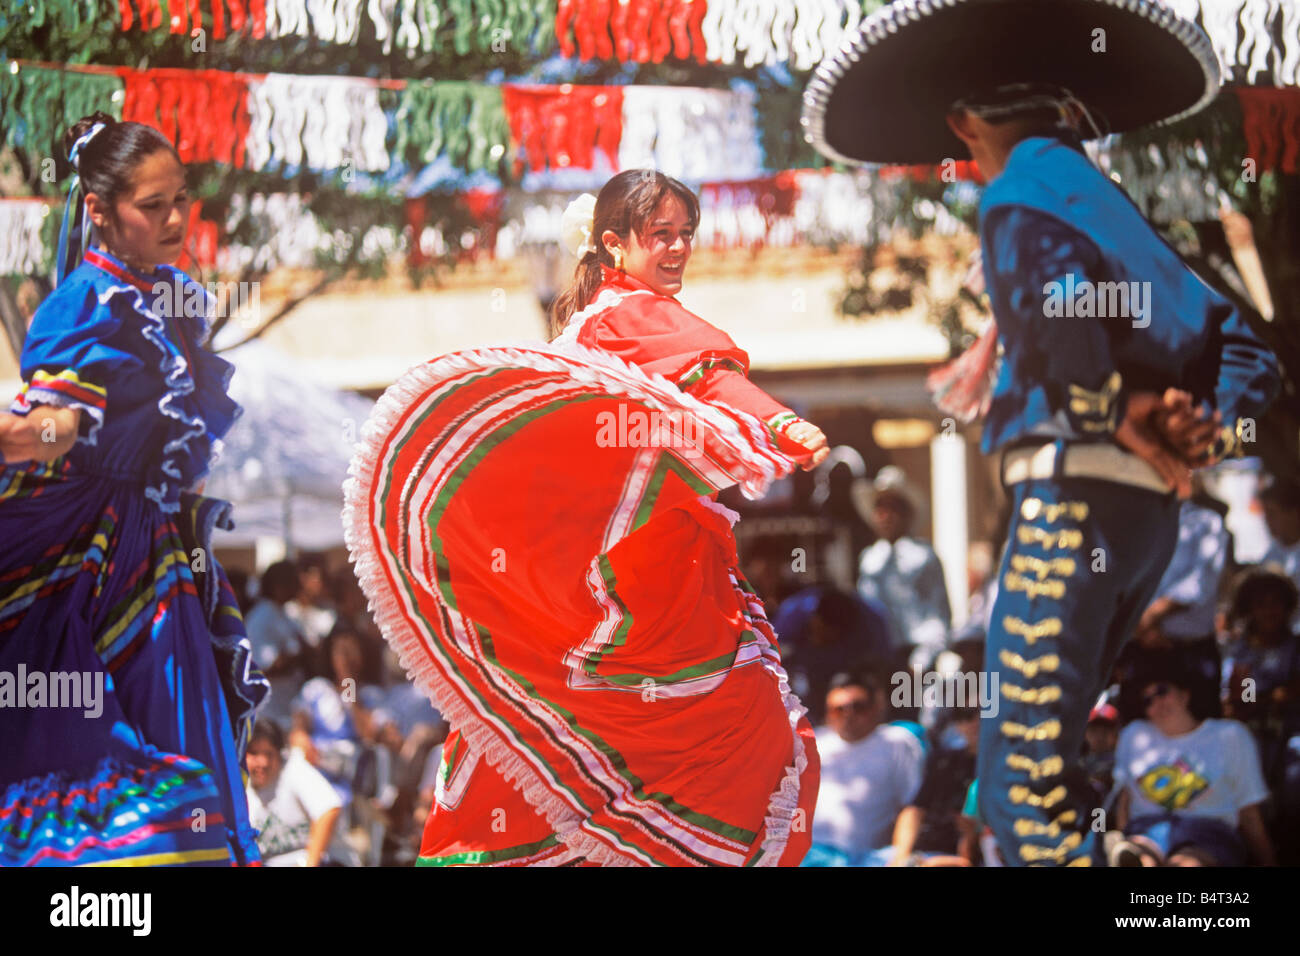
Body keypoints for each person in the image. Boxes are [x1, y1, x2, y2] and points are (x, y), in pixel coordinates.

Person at [802, 0, 1280, 865]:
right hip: (1143, 521)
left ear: (962, 124)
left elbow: (1064, 326)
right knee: (1028, 760)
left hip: (1074, 503)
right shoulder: (1116, 211)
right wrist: (1203, 429)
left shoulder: (1019, 197)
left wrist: (1115, 409)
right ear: (1070, 113)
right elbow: (1249, 353)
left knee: (1024, 790)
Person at [345, 169, 829, 866]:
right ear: (613, 244)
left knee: (549, 723)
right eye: (660, 235)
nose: (677, 249)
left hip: (602, 563)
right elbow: (711, 380)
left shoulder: (587, 324)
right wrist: (779, 424)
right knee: (740, 721)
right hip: (640, 567)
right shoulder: (629, 312)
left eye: (685, 235)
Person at [0, 113, 266, 866]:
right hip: (84, 556)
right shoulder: (82, 306)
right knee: (103, 764)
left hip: (156, 554)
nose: (176, 219)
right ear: (99, 210)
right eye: (154, 206)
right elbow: (58, 425)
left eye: (181, 199)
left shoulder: (170, 296)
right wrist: (28, 434)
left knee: (196, 757)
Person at [1109, 668, 1274, 866]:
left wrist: (1269, 861)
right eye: (1147, 701)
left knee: (1188, 863)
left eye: (1162, 691)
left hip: (1209, 831)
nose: (1157, 702)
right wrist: (1123, 835)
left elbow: (1248, 811)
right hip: (1147, 829)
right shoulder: (1133, 734)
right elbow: (1124, 797)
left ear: (1185, 694)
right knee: (1140, 857)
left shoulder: (1230, 735)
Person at [803, 671, 924, 866]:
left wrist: (901, 857)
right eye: (838, 709)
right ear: (828, 713)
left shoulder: (897, 742)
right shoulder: (812, 741)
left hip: (869, 857)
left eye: (857, 707)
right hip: (811, 853)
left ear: (877, 706)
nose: (848, 715)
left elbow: (912, 806)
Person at [855, 466, 951, 673]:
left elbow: (938, 615)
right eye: (880, 509)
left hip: (916, 658)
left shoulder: (924, 557)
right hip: (879, 659)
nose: (886, 516)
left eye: (893, 508)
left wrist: (921, 661)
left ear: (906, 514)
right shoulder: (869, 559)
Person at [244, 719, 358, 866]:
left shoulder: (293, 767)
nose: (263, 762)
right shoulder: (239, 786)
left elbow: (329, 810)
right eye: (254, 753)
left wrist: (310, 863)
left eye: (269, 753)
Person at [244, 559, 307, 724]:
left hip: (287, 708)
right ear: (278, 585)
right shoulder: (262, 616)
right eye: (293, 581)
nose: (298, 587)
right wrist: (298, 657)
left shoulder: (284, 613)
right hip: (269, 712)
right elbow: (265, 668)